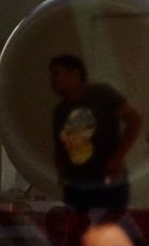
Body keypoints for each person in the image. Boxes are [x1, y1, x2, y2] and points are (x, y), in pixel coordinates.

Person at [49, 55, 142, 214]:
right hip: (76, 179)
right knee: (78, 218)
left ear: (75, 74)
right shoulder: (60, 111)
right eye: (51, 76)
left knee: (117, 211)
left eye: (56, 74)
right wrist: (62, 172)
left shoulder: (102, 94)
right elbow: (60, 146)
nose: (52, 80)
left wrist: (117, 158)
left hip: (107, 173)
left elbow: (134, 119)